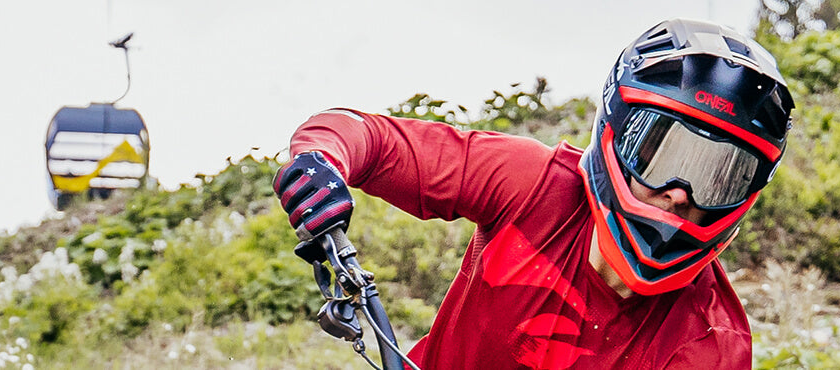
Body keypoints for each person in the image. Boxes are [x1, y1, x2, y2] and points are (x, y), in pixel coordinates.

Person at [273, 18, 795, 369]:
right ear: (617, 127)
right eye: (665, 156)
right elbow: (366, 138)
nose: (682, 194)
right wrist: (321, 160)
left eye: (719, 175)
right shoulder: (532, 183)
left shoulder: (711, 342)